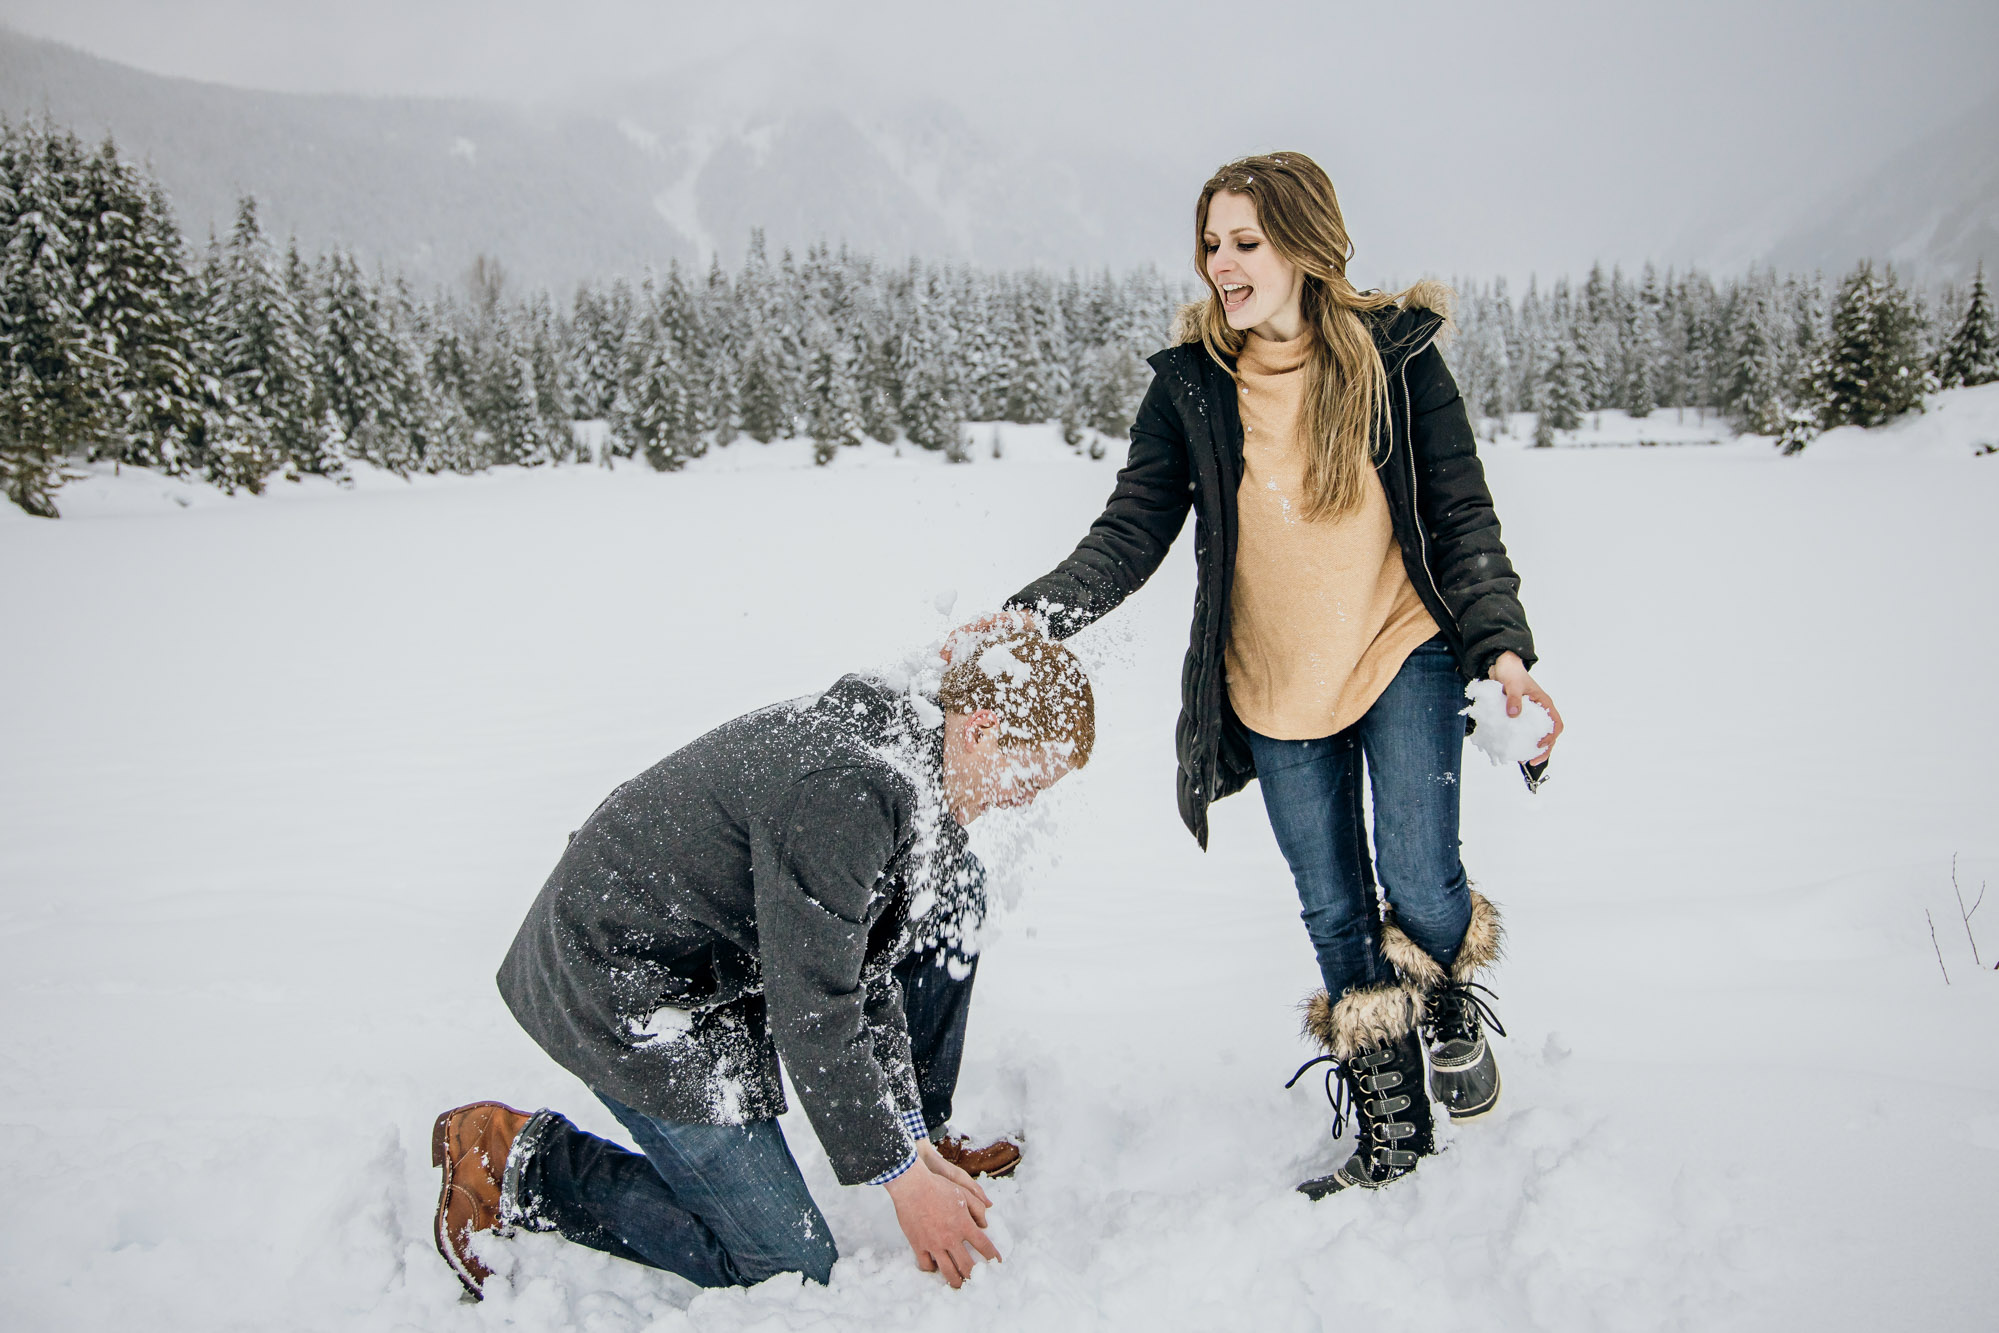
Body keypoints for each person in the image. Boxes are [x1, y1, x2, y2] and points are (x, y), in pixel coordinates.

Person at [956, 152, 1562, 1199]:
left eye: (1245, 242)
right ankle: (1393, 1130)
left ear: (1304, 244)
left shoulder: (1396, 358)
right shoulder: (1192, 385)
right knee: (1331, 906)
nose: (1221, 264)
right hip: (1272, 678)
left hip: (1399, 646)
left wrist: (1500, 648)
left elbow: (1463, 516)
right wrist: (1032, 616)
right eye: (1210, 244)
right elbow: (1131, 530)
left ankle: (1445, 992)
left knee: (1417, 875)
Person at [429, 633, 1093, 1297]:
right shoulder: (852, 793)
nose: (1022, 800)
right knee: (783, 1262)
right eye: (1027, 778)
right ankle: (516, 1161)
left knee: (787, 1243)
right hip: (619, 971)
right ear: (981, 730)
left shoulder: (913, 758)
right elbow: (814, 1009)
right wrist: (904, 1182)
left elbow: (863, 972)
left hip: (702, 969)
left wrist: (910, 1139)